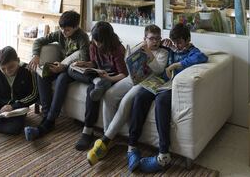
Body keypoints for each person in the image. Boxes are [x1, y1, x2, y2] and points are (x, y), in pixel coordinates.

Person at [126, 23, 208, 173]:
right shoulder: (170, 48)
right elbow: (158, 52)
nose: (177, 45)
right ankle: (132, 146)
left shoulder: (192, 51)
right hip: (160, 82)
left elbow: (202, 57)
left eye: (180, 42)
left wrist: (177, 64)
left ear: (188, 40)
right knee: (140, 96)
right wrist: (165, 44)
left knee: (161, 101)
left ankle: (164, 155)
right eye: (174, 42)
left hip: (172, 87)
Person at [87, 24, 168, 165]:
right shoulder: (139, 47)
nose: (155, 41)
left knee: (125, 102)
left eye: (158, 38)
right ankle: (109, 137)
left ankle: (105, 140)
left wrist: (149, 55)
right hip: (132, 78)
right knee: (109, 95)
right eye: (152, 38)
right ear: (145, 38)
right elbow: (127, 64)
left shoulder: (163, 53)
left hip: (146, 82)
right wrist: (130, 58)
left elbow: (160, 70)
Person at [24, 10, 90, 141]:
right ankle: (47, 114)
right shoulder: (60, 34)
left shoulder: (82, 37)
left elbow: (83, 59)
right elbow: (39, 41)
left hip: (73, 69)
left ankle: (49, 120)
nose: (64, 33)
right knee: (41, 74)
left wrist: (63, 66)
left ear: (76, 27)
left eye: (67, 30)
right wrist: (36, 55)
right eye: (62, 29)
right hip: (60, 65)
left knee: (62, 79)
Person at [71, 21, 129, 151]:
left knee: (92, 91)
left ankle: (87, 131)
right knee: (70, 70)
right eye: (95, 41)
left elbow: (123, 75)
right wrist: (85, 64)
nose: (97, 44)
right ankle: (96, 82)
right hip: (98, 76)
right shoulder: (93, 45)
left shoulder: (117, 49)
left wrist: (108, 78)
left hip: (112, 77)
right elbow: (94, 63)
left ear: (107, 40)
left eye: (100, 42)